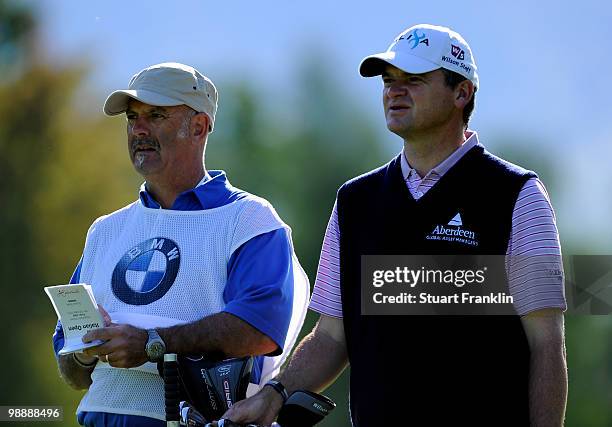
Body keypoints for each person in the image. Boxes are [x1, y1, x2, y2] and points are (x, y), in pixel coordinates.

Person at [224, 24, 567, 426]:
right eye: (389, 81)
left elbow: (547, 344)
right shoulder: (355, 201)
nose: (394, 91)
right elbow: (333, 336)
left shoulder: (516, 195)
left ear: (462, 93)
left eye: (414, 80)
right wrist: (274, 394)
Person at [51, 62, 309, 427]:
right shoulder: (105, 230)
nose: (138, 129)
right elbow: (73, 371)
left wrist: (153, 343)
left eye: (155, 115)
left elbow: (260, 327)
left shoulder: (250, 219)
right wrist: (83, 353)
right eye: (132, 117)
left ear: (199, 127)